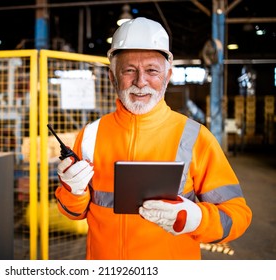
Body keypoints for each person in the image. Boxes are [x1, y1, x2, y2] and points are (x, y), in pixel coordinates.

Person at [54, 17, 252, 260]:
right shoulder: (90, 136)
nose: (140, 82)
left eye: (152, 71)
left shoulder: (194, 137)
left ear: (167, 76)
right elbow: (74, 214)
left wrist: (197, 219)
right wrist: (73, 192)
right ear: (112, 77)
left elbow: (237, 216)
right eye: (129, 70)